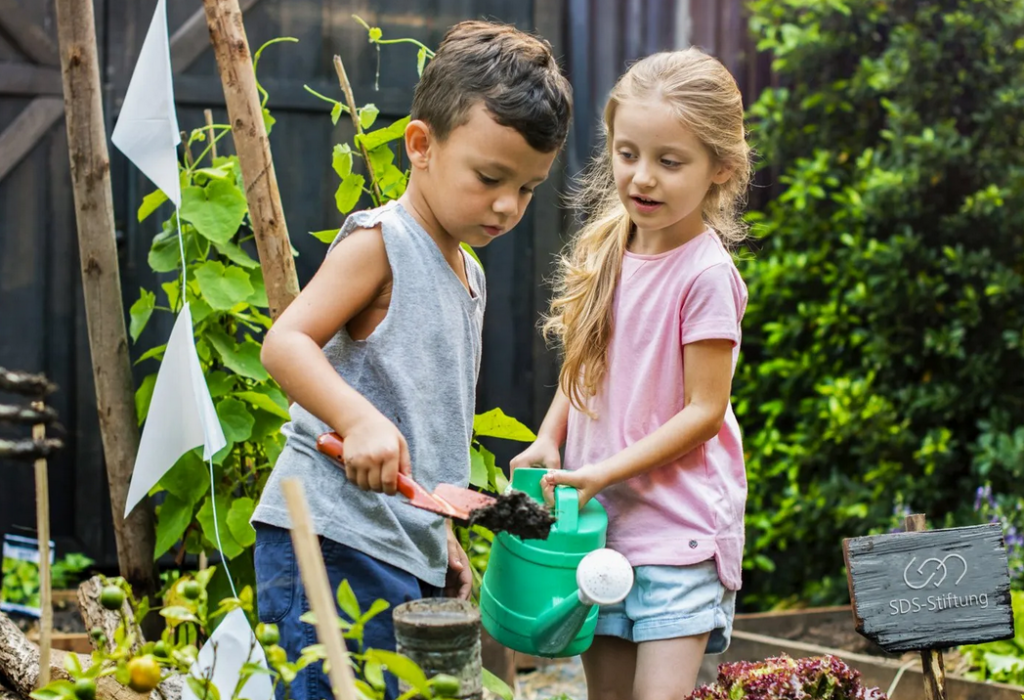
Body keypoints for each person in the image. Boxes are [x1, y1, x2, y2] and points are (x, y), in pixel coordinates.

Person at [251, 20, 572, 700]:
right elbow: (284, 343)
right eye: (490, 178)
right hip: (331, 538)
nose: (508, 205)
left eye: (529, 188)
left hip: (402, 544)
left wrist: (441, 537)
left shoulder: (470, 275)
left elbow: (426, 415)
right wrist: (356, 419)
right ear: (421, 145)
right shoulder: (382, 242)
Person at [510, 47, 751, 700]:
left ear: (720, 168)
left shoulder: (705, 277)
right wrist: (549, 436)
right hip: (598, 523)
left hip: (679, 534)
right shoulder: (607, 245)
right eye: (627, 153)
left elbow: (704, 413)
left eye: (670, 162)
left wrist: (602, 473)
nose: (642, 178)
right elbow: (584, 359)